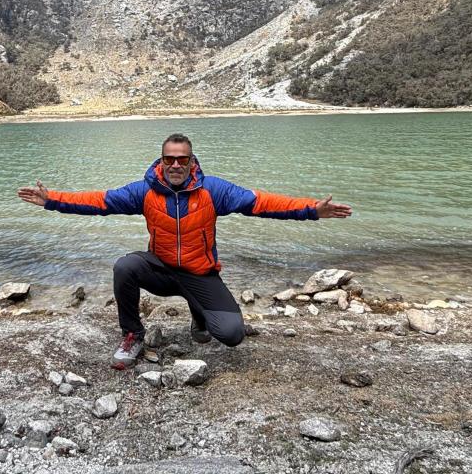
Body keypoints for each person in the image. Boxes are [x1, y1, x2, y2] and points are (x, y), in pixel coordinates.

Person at [17, 133, 352, 368]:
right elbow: (99, 201)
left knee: (231, 335)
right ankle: (133, 335)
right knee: (125, 266)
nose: (176, 164)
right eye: (169, 159)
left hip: (200, 274)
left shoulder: (213, 191)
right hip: (160, 269)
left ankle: (199, 315)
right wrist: (53, 200)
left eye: (182, 159)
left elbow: (261, 202)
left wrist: (311, 209)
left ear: (192, 162)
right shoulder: (144, 191)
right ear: (161, 161)